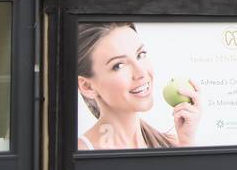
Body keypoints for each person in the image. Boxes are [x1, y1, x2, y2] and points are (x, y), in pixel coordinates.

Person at [76, 22, 201, 150]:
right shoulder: (81, 152)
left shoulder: (174, 143)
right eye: (119, 65)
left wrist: (186, 143)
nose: (141, 72)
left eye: (140, 55)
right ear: (87, 86)